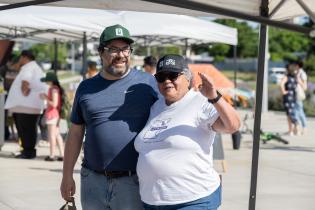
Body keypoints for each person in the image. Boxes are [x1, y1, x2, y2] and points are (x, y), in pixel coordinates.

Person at [60, 24, 158, 210]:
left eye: (125, 49)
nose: (120, 55)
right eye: (113, 49)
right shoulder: (86, 88)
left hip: (133, 182)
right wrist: (66, 175)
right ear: (100, 52)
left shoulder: (147, 83)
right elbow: (75, 133)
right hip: (92, 181)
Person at [134, 54, 240, 210]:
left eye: (173, 75)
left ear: (187, 78)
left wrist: (214, 97)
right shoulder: (156, 106)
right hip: (152, 202)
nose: (167, 80)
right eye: (161, 77)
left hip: (192, 200)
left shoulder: (200, 102)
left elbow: (233, 126)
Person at [4, 50, 46, 159]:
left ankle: (27, 152)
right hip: (30, 106)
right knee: (30, 129)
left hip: (24, 105)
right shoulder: (36, 67)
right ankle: (28, 151)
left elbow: (25, 81)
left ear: (24, 57)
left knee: (25, 130)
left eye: (21, 58)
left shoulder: (28, 67)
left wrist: (24, 91)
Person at [39, 72, 64, 161]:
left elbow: (54, 104)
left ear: (51, 81)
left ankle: (52, 155)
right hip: (55, 114)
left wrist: (45, 97)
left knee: (52, 135)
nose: (45, 82)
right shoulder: (55, 89)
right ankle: (62, 154)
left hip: (52, 114)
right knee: (57, 135)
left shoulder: (53, 89)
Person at [0, 54, 20, 140]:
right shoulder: (4, 69)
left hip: (15, 96)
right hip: (6, 95)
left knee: (15, 116)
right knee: (5, 116)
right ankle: (6, 133)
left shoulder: (19, 69)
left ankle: (16, 135)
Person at [280, 63, 299, 136]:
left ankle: (294, 125)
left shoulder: (286, 77)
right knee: (291, 112)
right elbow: (302, 86)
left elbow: (281, 84)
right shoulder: (295, 77)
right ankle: (292, 130)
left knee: (289, 114)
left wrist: (283, 91)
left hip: (288, 97)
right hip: (293, 97)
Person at [294, 60, 307, 135]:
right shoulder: (297, 73)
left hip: (299, 95)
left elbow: (305, 87)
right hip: (294, 95)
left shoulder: (302, 74)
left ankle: (304, 128)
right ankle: (297, 129)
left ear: (298, 66)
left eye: (295, 65)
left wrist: (299, 81)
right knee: (296, 112)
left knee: (299, 112)